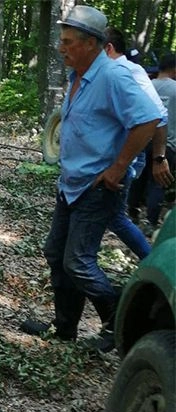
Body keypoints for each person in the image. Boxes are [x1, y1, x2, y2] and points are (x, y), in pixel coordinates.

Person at [20, 6, 161, 353]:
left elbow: (148, 119)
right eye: (61, 40)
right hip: (71, 183)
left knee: (78, 261)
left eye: (68, 42)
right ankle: (65, 327)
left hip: (98, 187)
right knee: (56, 253)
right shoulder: (76, 76)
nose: (60, 47)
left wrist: (118, 167)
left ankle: (119, 320)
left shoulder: (114, 76)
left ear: (90, 43)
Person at [102, 27, 168, 259]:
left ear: (108, 48)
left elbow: (158, 115)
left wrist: (158, 157)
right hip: (109, 157)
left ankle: (152, 262)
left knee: (115, 217)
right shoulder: (110, 72)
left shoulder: (128, 71)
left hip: (122, 158)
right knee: (103, 215)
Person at [143, 53, 176, 231]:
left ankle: (132, 212)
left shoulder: (147, 85)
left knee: (140, 178)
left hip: (143, 139)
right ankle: (150, 222)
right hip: (167, 143)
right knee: (158, 182)